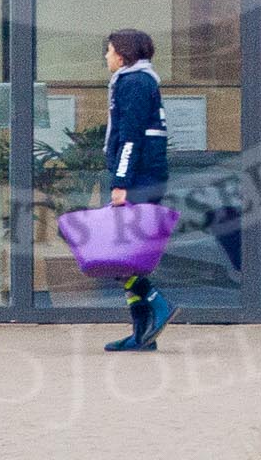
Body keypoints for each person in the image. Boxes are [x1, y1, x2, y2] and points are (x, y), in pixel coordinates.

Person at [101, 29, 174, 352]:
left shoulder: (133, 83)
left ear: (123, 54)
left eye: (109, 50)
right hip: (144, 175)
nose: (106, 56)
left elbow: (130, 138)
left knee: (119, 254)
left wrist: (121, 182)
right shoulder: (139, 82)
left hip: (139, 178)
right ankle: (142, 333)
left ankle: (157, 304)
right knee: (127, 255)